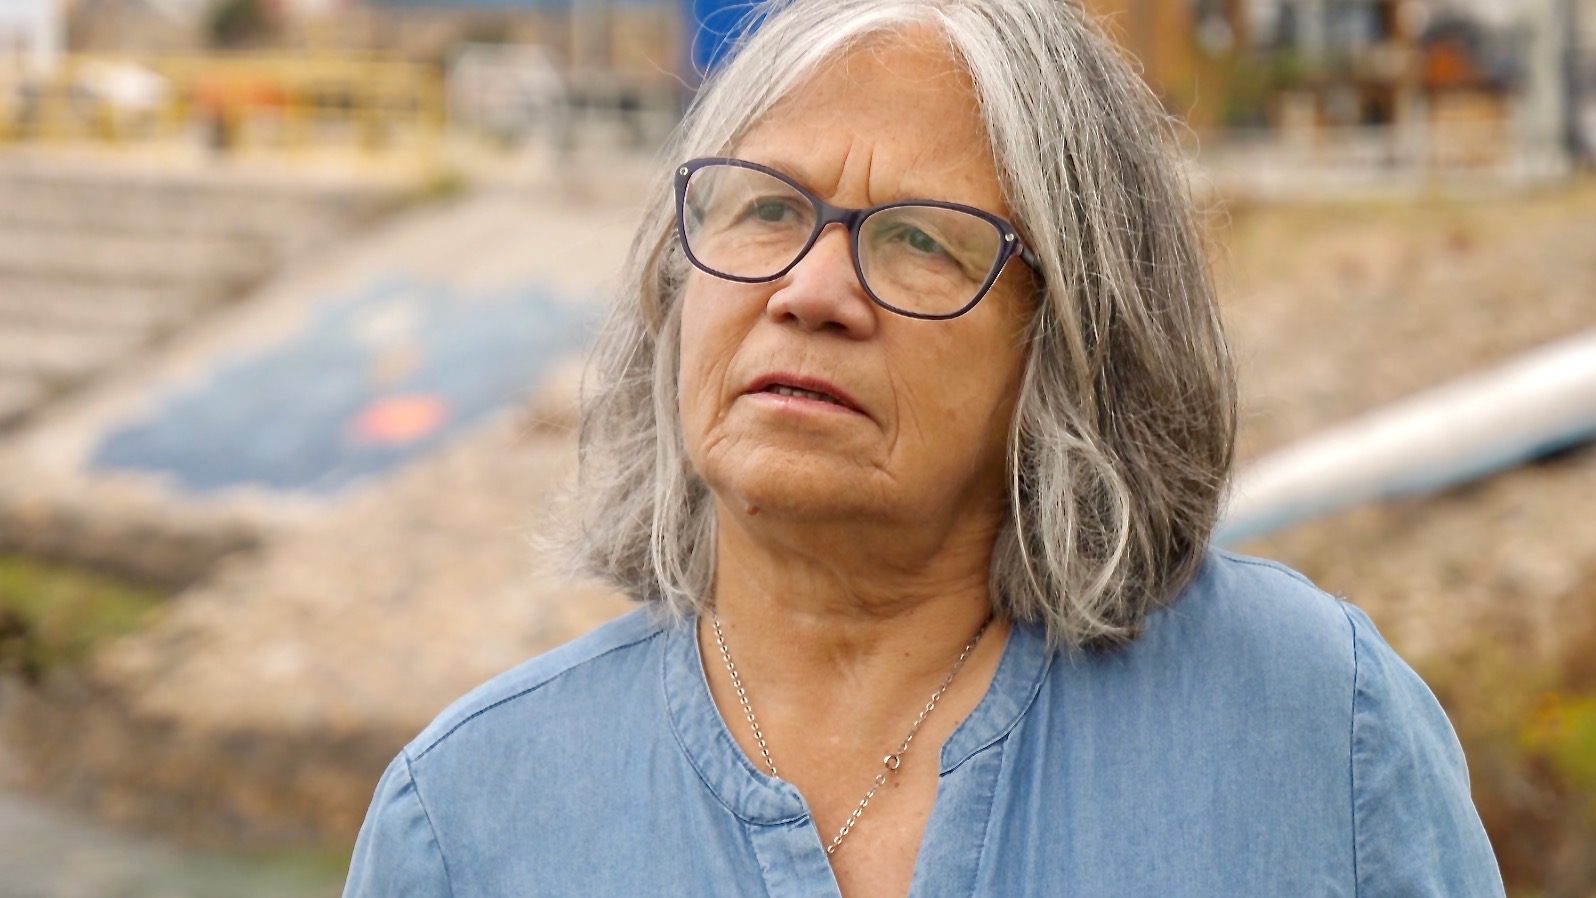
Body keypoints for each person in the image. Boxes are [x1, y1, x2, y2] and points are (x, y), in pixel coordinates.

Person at [343, 1, 1506, 895]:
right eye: (765, 208)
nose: (811, 292)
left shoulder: (1316, 729)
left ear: (1073, 342)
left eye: (919, 241)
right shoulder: (465, 821)